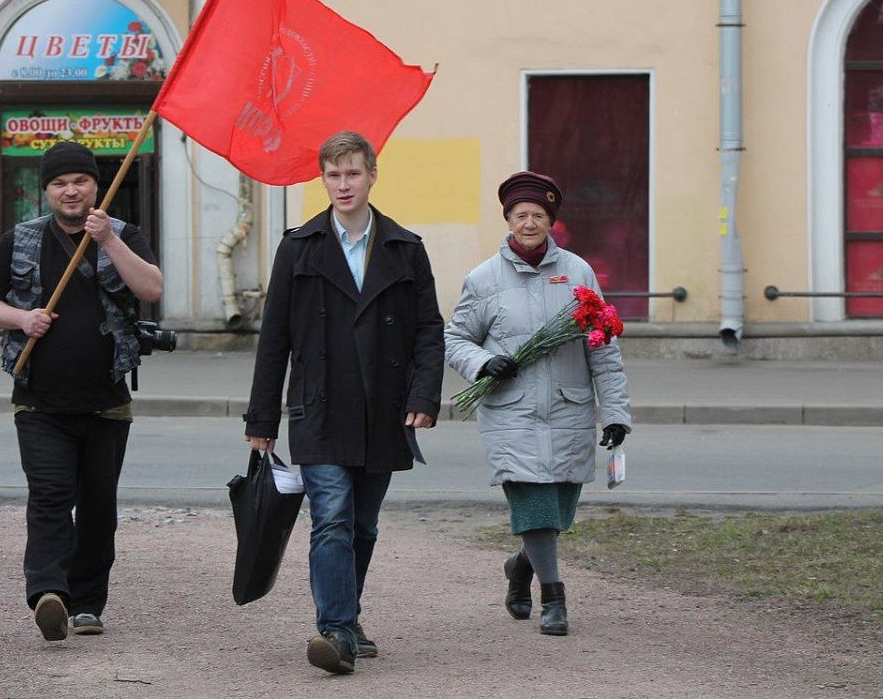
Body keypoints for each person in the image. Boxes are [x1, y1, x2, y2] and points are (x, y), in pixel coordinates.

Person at [243, 131, 444, 675]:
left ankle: (347, 617)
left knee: (363, 525)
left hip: (385, 408)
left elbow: (429, 330)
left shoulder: (405, 248)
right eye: (333, 175)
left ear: (372, 175)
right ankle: (335, 629)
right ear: (323, 179)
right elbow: (274, 337)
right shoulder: (299, 247)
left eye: (352, 173)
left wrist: (425, 395)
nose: (343, 184)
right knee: (330, 517)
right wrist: (262, 418)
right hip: (320, 405)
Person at [0, 140, 162, 641]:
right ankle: (48, 593)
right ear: (48, 191)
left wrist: (110, 242)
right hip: (39, 399)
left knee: (99, 506)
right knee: (51, 496)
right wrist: (21, 317)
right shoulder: (21, 239)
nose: (70, 190)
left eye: (79, 181)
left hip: (107, 402)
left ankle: (87, 604)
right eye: (59, 183)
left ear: (95, 186)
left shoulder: (124, 234)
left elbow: (151, 289)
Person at [444, 171, 631, 636]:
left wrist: (615, 413)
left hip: (568, 407)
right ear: (508, 219)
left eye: (539, 216)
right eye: (521, 215)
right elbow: (454, 339)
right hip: (511, 411)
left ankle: (522, 565)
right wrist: (485, 363)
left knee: (560, 508)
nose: (530, 223)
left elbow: (601, 346)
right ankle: (554, 597)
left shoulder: (579, 272)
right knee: (534, 506)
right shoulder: (484, 278)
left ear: (552, 221)